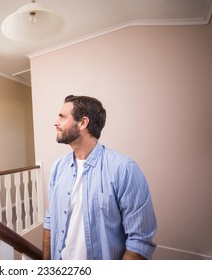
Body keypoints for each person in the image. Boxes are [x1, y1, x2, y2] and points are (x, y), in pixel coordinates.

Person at [43, 95, 157, 260]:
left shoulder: (124, 169)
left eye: (62, 116)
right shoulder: (57, 168)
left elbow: (139, 241)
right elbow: (50, 220)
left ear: (83, 123)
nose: (55, 122)